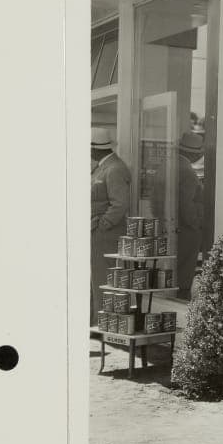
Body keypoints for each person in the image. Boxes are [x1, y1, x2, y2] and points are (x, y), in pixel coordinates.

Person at [91, 127, 130, 325]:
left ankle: (106, 322)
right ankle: (98, 321)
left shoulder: (115, 168)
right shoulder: (102, 167)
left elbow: (120, 204)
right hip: (98, 233)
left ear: (95, 149)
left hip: (106, 235)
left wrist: (103, 225)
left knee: (104, 278)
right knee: (97, 278)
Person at [174, 132, 205, 297]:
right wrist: (196, 225)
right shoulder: (187, 171)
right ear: (194, 153)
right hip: (187, 231)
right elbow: (187, 205)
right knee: (184, 274)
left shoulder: (175, 166)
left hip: (179, 228)